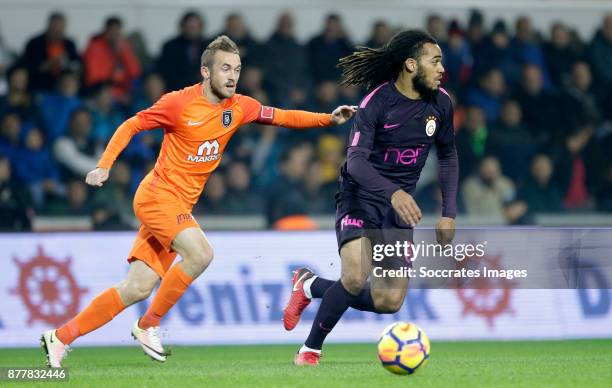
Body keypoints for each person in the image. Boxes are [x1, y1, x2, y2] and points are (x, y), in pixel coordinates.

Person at [40, 35, 356, 368]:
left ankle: (60, 337)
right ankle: (147, 325)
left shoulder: (240, 107)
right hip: (157, 197)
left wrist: (328, 119)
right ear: (205, 71)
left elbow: (282, 116)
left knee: (137, 287)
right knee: (201, 253)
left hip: (178, 206)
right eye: (224, 68)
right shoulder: (178, 103)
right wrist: (104, 165)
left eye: (236, 68)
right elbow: (132, 124)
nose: (232, 76)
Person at [282, 30, 458, 366]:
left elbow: (448, 156)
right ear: (410, 65)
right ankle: (310, 350)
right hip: (360, 198)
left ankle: (310, 285)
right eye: (435, 61)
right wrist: (393, 193)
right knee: (354, 276)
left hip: (398, 210)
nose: (441, 69)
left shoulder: (441, 103)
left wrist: (448, 213)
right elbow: (357, 162)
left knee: (389, 300)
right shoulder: (377, 103)